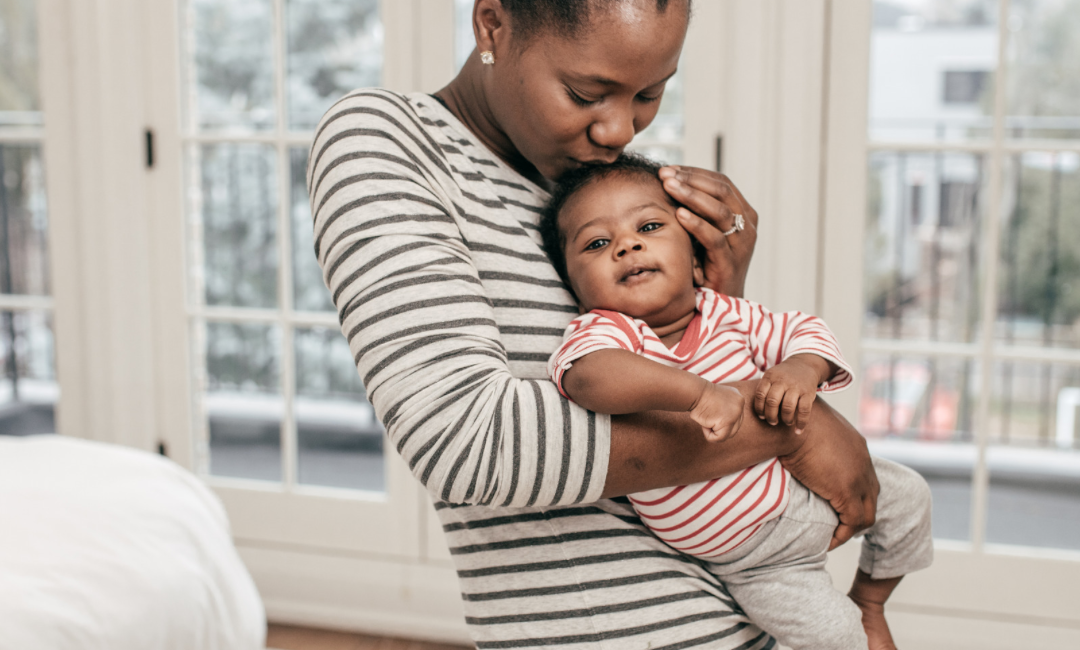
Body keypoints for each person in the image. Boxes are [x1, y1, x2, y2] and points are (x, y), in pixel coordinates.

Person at [307, 0, 880, 648]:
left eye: (649, 95)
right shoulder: (386, 140)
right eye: (586, 93)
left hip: (761, 617)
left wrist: (721, 292)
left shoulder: (605, 189)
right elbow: (468, 442)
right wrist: (795, 430)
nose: (617, 131)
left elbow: (691, 381)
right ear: (492, 23)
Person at [541, 154, 933, 650]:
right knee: (839, 637)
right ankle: (858, 625)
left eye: (650, 225)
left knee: (912, 497)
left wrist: (801, 368)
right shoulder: (606, 334)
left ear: (695, 256)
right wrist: (697, 392)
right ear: (576, 291)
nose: (627, 244)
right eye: (597, 243)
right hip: (756, 561)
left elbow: (803, 331)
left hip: (804, 488)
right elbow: (590, 379)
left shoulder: (728, 313)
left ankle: (871, 601)